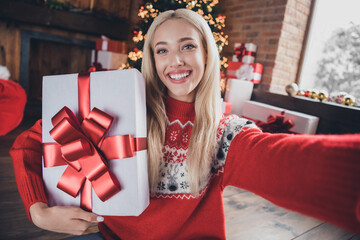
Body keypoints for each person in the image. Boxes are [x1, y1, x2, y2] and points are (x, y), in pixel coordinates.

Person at [10, 8, 360, 240]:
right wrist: (38, 211)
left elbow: (292, 164)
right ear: (151, 58)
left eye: (187, 46)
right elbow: (29, 141)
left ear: (207, 54)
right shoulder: (116, 104)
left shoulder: (225, 133)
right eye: (161, 50)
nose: (174, 60)